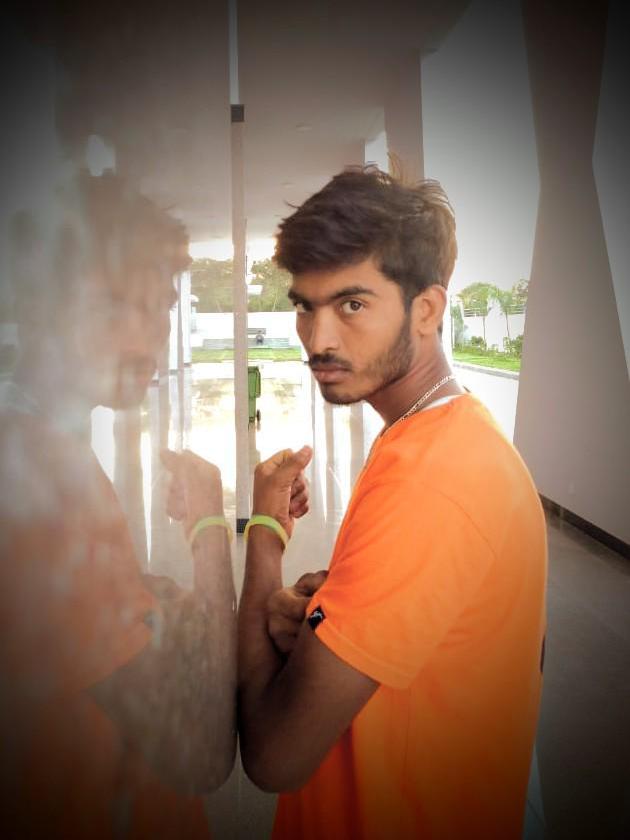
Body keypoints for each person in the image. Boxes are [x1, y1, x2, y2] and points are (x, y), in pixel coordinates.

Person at [237, 166, 547, 839]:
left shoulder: (428, 479)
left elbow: (272, 755)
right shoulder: (446, 432)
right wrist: (329, 611)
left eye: (351, 304)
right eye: (305, 306)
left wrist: (263, 531)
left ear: (427, 310)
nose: (318, 339)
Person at [0, 171, 236, 839]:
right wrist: (210, 530)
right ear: (39, 305)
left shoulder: (39, 437)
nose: (147, 337)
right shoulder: (45, 473)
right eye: (111, 305)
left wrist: (153, 598)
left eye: (158, 306)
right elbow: (201, 753)